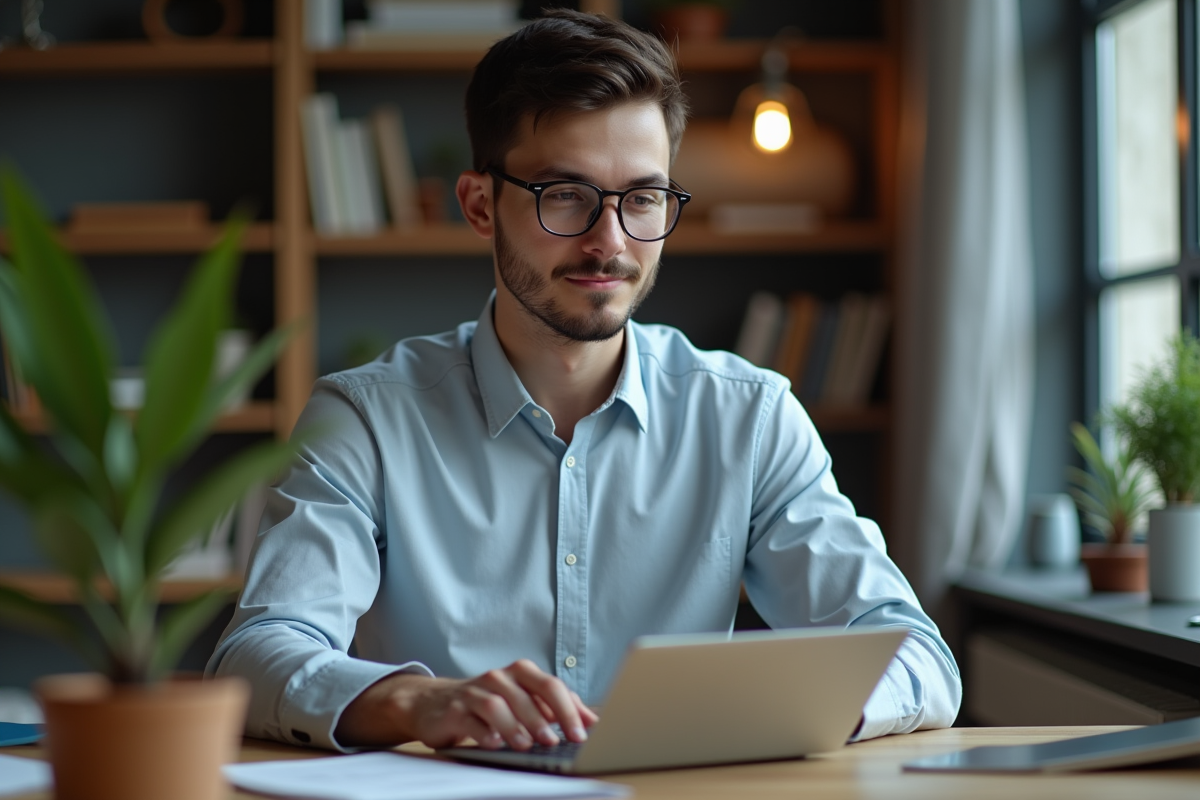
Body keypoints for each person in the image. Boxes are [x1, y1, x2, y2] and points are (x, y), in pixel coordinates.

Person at [207, 9, 961, 753]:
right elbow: (259, 653)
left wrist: (800, 713)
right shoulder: (365, 420)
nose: (611, 242)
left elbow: (918, 659)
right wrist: (418, 701)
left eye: (642, 199)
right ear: (479, 205)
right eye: (564, 195)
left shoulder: (749, 419)